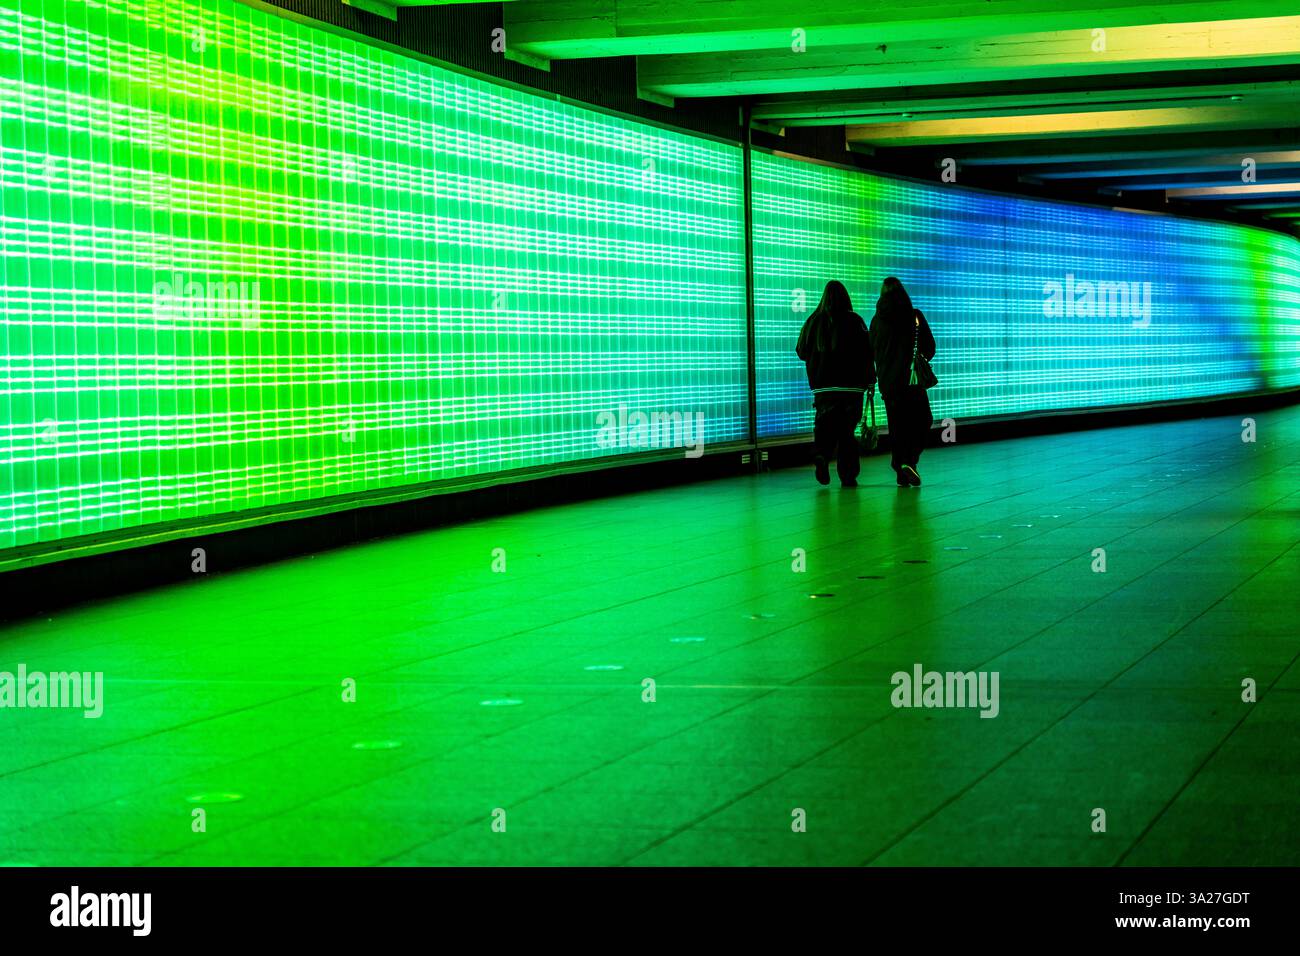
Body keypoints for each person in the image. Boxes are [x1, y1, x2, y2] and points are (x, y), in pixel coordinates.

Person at [795, 280, 874, 487]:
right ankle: (848, 476)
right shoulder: (855, 321)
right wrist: (871, 380)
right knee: (846, 433)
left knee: (824, 426)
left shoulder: (813, 321)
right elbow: (867, 353)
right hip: (851, 387)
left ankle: (821, 455)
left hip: (823, 388)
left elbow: (801, 351)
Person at [868, 277, 936, 487]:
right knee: (923, 421)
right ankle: (908, 461)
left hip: (888, 384)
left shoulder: (876, 321)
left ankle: (901, 469)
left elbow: (870, 352)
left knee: (897, 427)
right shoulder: (915, 317)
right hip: (911, 381)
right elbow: (930, 348)